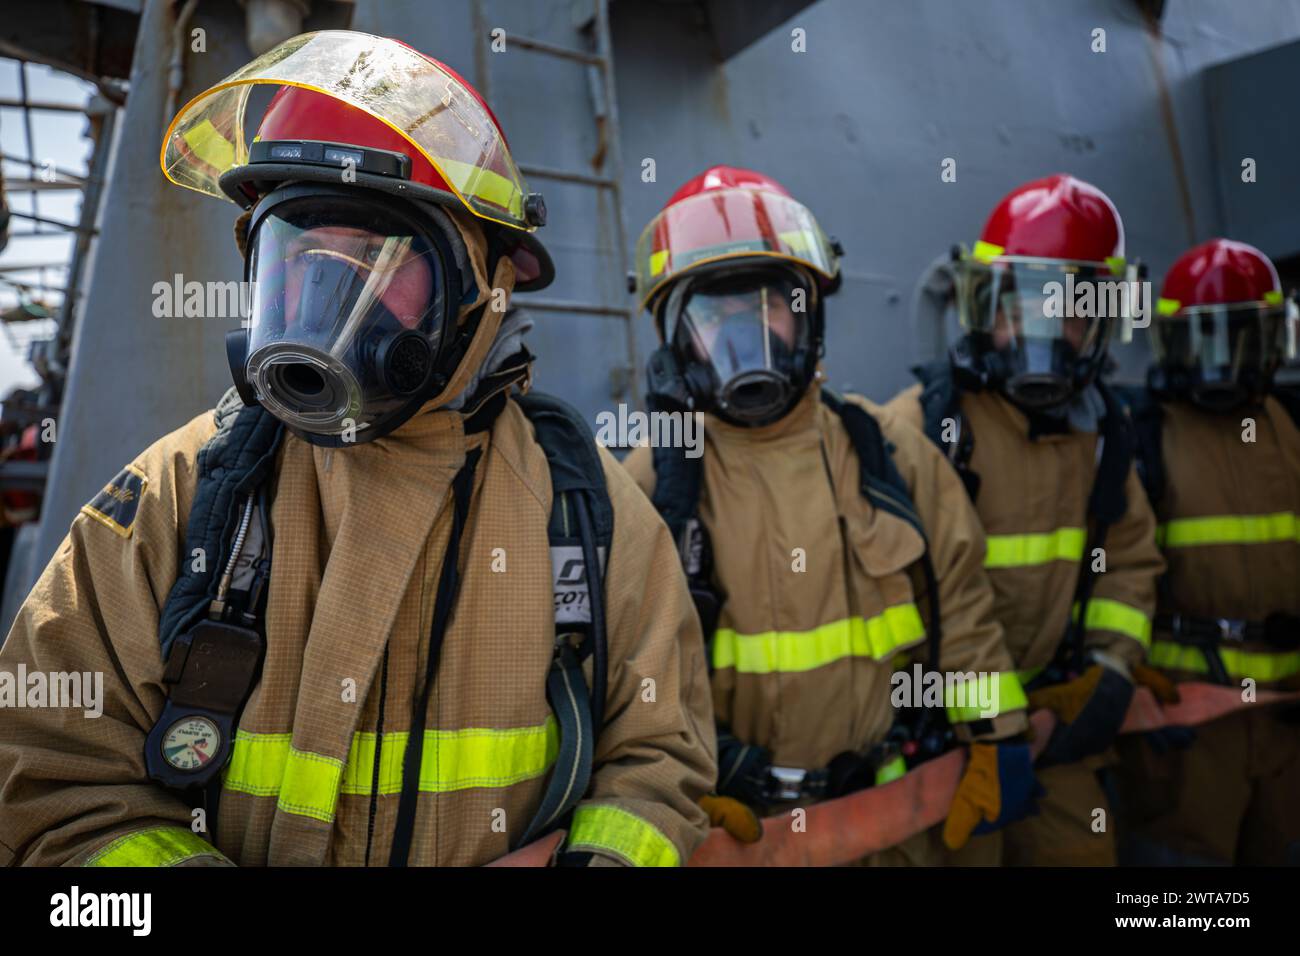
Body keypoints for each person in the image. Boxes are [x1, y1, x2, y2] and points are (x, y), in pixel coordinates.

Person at [0, 30, 715, 868]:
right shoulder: (174, 499)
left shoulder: (592, 515)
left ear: (481, 289)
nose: (326, 296)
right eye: (301, 253)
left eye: (378, 258)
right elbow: (50, 786)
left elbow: (661, 767)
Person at [624, 165, 1038, 865]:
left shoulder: (889, 452)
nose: (746, 337)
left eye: (769, 307)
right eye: (716, 314)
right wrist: (674, 790)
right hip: (744, 836)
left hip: (900, 816)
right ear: (677, 339)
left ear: (810, 311)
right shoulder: (652, 484)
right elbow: (630, 682)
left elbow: (963, 611)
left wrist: (998, 735)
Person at [886, 173, 1170, 866]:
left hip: (1053, 725)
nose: (1040, 334)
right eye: (1022, 308)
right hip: (941, 742)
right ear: (986, 309)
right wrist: (988, 726)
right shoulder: (918, 429)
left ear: (1100, 322)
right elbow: (905, 600)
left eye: (1067, 312)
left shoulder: (1104, 432)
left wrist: (1110, 666)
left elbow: (1128, 561)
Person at [1113, 238, 1300, 865]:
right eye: (1202, 341)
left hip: (1285, 738)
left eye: (1241, 339)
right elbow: (1116, 574)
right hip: (1185, 738)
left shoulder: (1290, 428)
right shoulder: (1143, 437)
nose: (1221, 364)